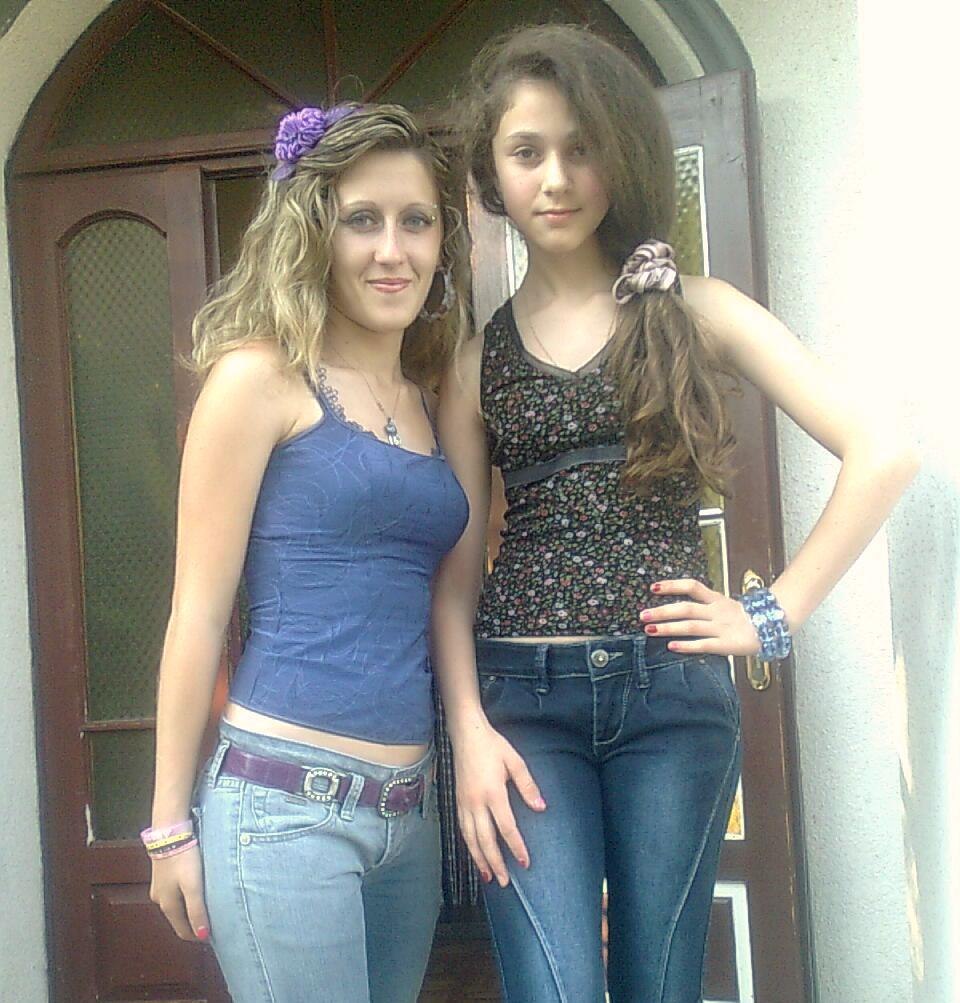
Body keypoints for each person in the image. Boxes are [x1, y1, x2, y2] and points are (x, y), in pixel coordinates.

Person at [432, 24, 918, 1003]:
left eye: (581, 147)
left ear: (622, 154)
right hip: (523, 709)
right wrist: (468, 730)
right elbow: (453, 578)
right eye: (527, 152)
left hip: (672, 705)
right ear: (491, 172)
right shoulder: (475, 361)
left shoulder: (698, 309)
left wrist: (770, 613)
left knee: (660, 987)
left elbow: (883, 452)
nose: (556, 177)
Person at [145, 102, 469, 1003]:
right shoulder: (259, 379)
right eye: (362, 220)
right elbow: (197, 612)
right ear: (315, 233)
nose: (392, 250)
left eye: (416, 221)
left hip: (409, 816)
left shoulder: (429, 396)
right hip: (283, 807)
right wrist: (168, 823)